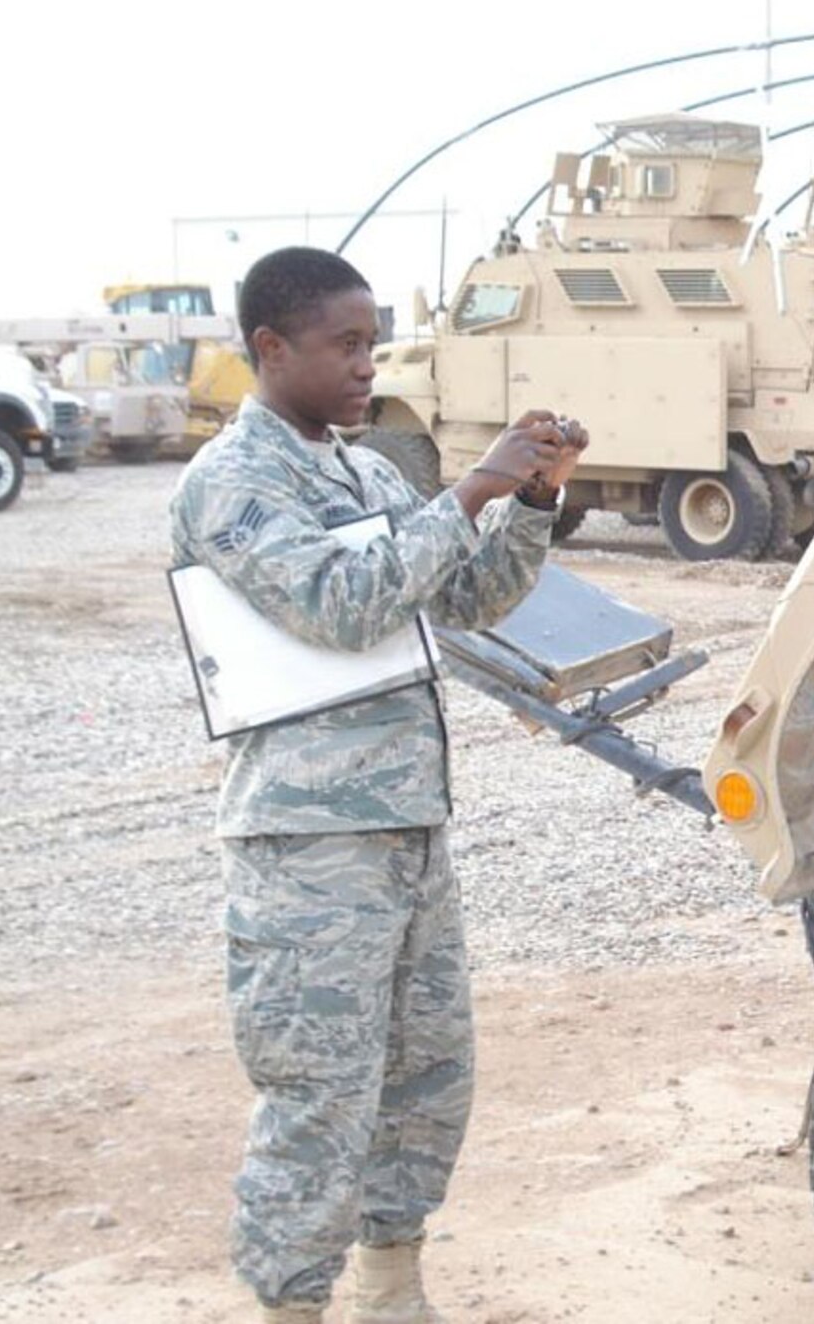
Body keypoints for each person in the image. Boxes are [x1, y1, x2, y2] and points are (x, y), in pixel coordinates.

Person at [170, 246, 588, 1323]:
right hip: (307, 845)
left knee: (426, 1077)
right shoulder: (230, 482)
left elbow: (467, 596)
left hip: (406, 825)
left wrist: (531, 501)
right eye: (344, 344)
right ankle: (291, 1307)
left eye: (371, 340)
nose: (366, 365)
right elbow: (345, 602)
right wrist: (471, 485)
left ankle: (390, 1289)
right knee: (318, 1093)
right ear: (271, 349)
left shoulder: (363, 471)